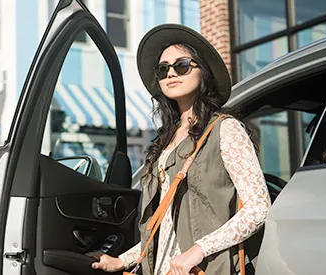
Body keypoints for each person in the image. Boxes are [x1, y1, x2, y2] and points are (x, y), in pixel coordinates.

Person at [88, 24, 271, 275]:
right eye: (163, 70)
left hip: (203, 268)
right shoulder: (165, 141)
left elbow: (258, 208)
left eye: (182, 65)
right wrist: (123, 260)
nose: (171, 74)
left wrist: (197, 251)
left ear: (202, 71)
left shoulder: (225, 130)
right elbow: (165, 225)